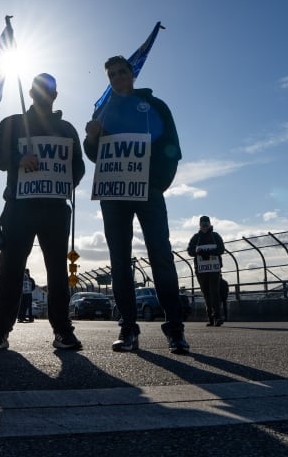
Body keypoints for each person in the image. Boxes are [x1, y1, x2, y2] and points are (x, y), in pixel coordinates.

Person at [84, 55, 188, 354]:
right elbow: (95, 155)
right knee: (119, 260)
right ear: (109, 79)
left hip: (148, 191)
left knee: (161, 255)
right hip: (113, 194)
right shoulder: (103, 111)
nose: (117, 77)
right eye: (112, 74)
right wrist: (91, 139)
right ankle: (128, 327)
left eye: (122, 72)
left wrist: (157, 183)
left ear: (132, 73)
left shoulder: (155, 106)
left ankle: (175, 329)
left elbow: (173, 148)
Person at [0, 73, 86, 351]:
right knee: (10, 270)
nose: (43, 94)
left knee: (57, 271)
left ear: (55, 95)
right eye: (38, 89)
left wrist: (65, 181)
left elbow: (79, 166)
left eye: (48, 89)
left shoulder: (66, 129)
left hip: (54, 207)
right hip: (20, 206)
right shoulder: (13, 124)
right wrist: (18, 159)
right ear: (30, 93)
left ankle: (63, 331)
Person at [187, 216, 226, 326]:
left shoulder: (215, 236)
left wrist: (211, 252)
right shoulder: (196, 237)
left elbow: (222, 249)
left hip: (214, 269)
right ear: (200, 225)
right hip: (201, 270)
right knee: (206, 293)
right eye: (203, 224)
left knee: (214, 292)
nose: (204, 226)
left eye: (206, 224)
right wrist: (198, 252)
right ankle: (210, 317)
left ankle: (217, 316)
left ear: (209, 224)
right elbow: (189, 251)